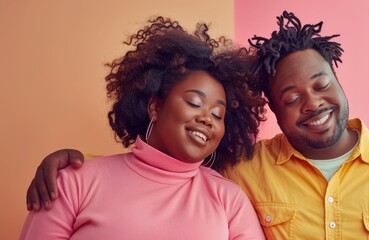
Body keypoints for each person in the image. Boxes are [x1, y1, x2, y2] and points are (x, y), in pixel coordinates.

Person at [25, 10, 369, 239]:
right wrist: (70, 164)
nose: (312, 104)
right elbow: (153, 172)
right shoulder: (247, 168)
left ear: (339, 83)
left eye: (322, 85)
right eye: (290, 98)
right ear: (272, 109)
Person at [20, 16, 267, 240]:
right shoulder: (72, 181)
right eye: (194, 103)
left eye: (218, 114)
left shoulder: (229, 200)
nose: (207, 119)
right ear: (155, 107)